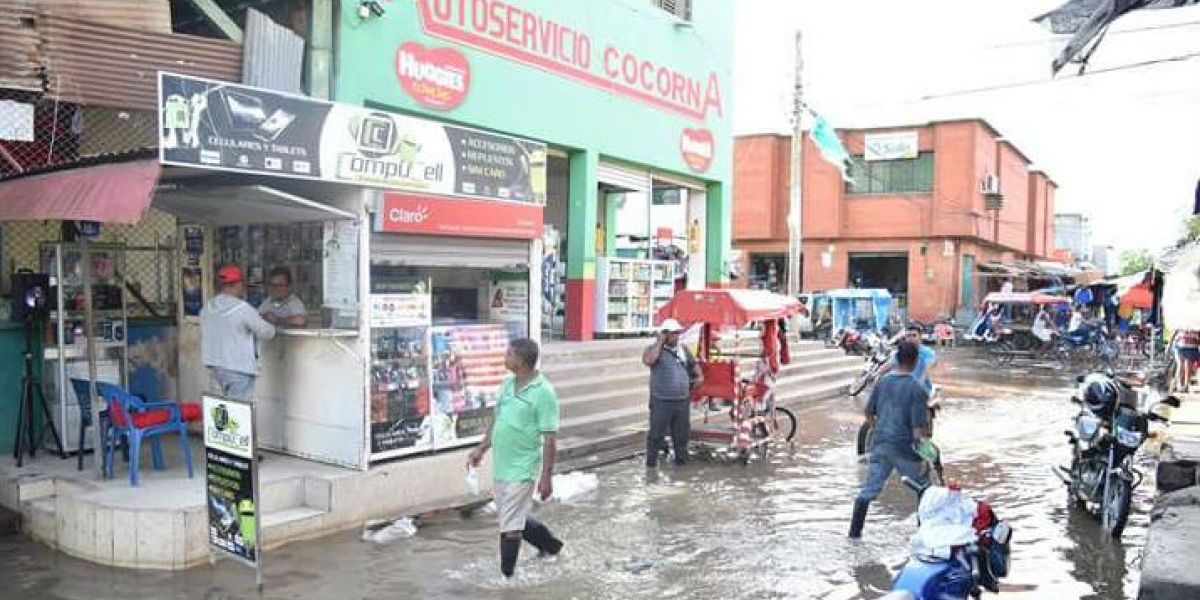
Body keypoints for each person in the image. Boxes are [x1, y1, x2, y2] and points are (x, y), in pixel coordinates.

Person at [466, 338, 562, 580]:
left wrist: (546, 477)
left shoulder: (544, 393)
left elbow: (550, 439)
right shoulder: (508, 384)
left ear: (520, 361)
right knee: (511, 516)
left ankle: (506, 578)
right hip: (503, 464)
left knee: (509, 526)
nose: (504, 358)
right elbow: (497, 420)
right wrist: (481, 449)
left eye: (508, 354)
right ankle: (550, 545)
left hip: (524, 466)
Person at [850, 341, 932, 539]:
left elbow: (868, 414)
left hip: (881, 445)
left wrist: (879, 429)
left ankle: (854, 534)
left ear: (896, 360)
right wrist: (926, 458)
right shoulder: (917, 389)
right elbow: (918, 429)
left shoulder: (882, 382)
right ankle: (924, 536)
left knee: (868, 492)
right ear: (915, 361)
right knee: (924, 490)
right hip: (906, 449)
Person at [201, 265, 276, 400]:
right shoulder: (242, 308)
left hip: (215, 368)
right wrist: (270, 320)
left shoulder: (208, 307)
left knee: (220, 414)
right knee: (238, 415)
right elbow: (267, 333)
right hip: (238, 370)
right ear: (238, 284)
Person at [643, 318, 703, 468]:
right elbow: (649, 361)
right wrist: (659, 342)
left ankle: (681, 466)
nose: (676, 336)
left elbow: (695, 368)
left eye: (677, 333)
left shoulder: (684, 350)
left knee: (681, 437)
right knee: (656, 436)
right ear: (665, 335)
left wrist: (698, 378)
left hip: (681, 401)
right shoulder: (654, 350)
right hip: (661, 401)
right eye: (673, 333)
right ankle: (651, 467)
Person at [878, 324, 938, 395]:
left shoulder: (928, 353)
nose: (911, 338)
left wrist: (917, 385)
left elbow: (926, 372)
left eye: (914, 335)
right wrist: (876, 374)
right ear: (905, 338)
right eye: (908, 336)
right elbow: (888, 365)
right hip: (902, 390)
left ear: (920, 336)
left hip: (921, 390)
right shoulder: (900, 352)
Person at [1174, 329, 1200, 393]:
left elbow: (1175, 334)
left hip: (1181, 345)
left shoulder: (1181, 322)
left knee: (1181, 365)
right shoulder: (1196, 324)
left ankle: (1180, 385)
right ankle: (1185, 386)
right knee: (1186, 366)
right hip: (1190, 346)